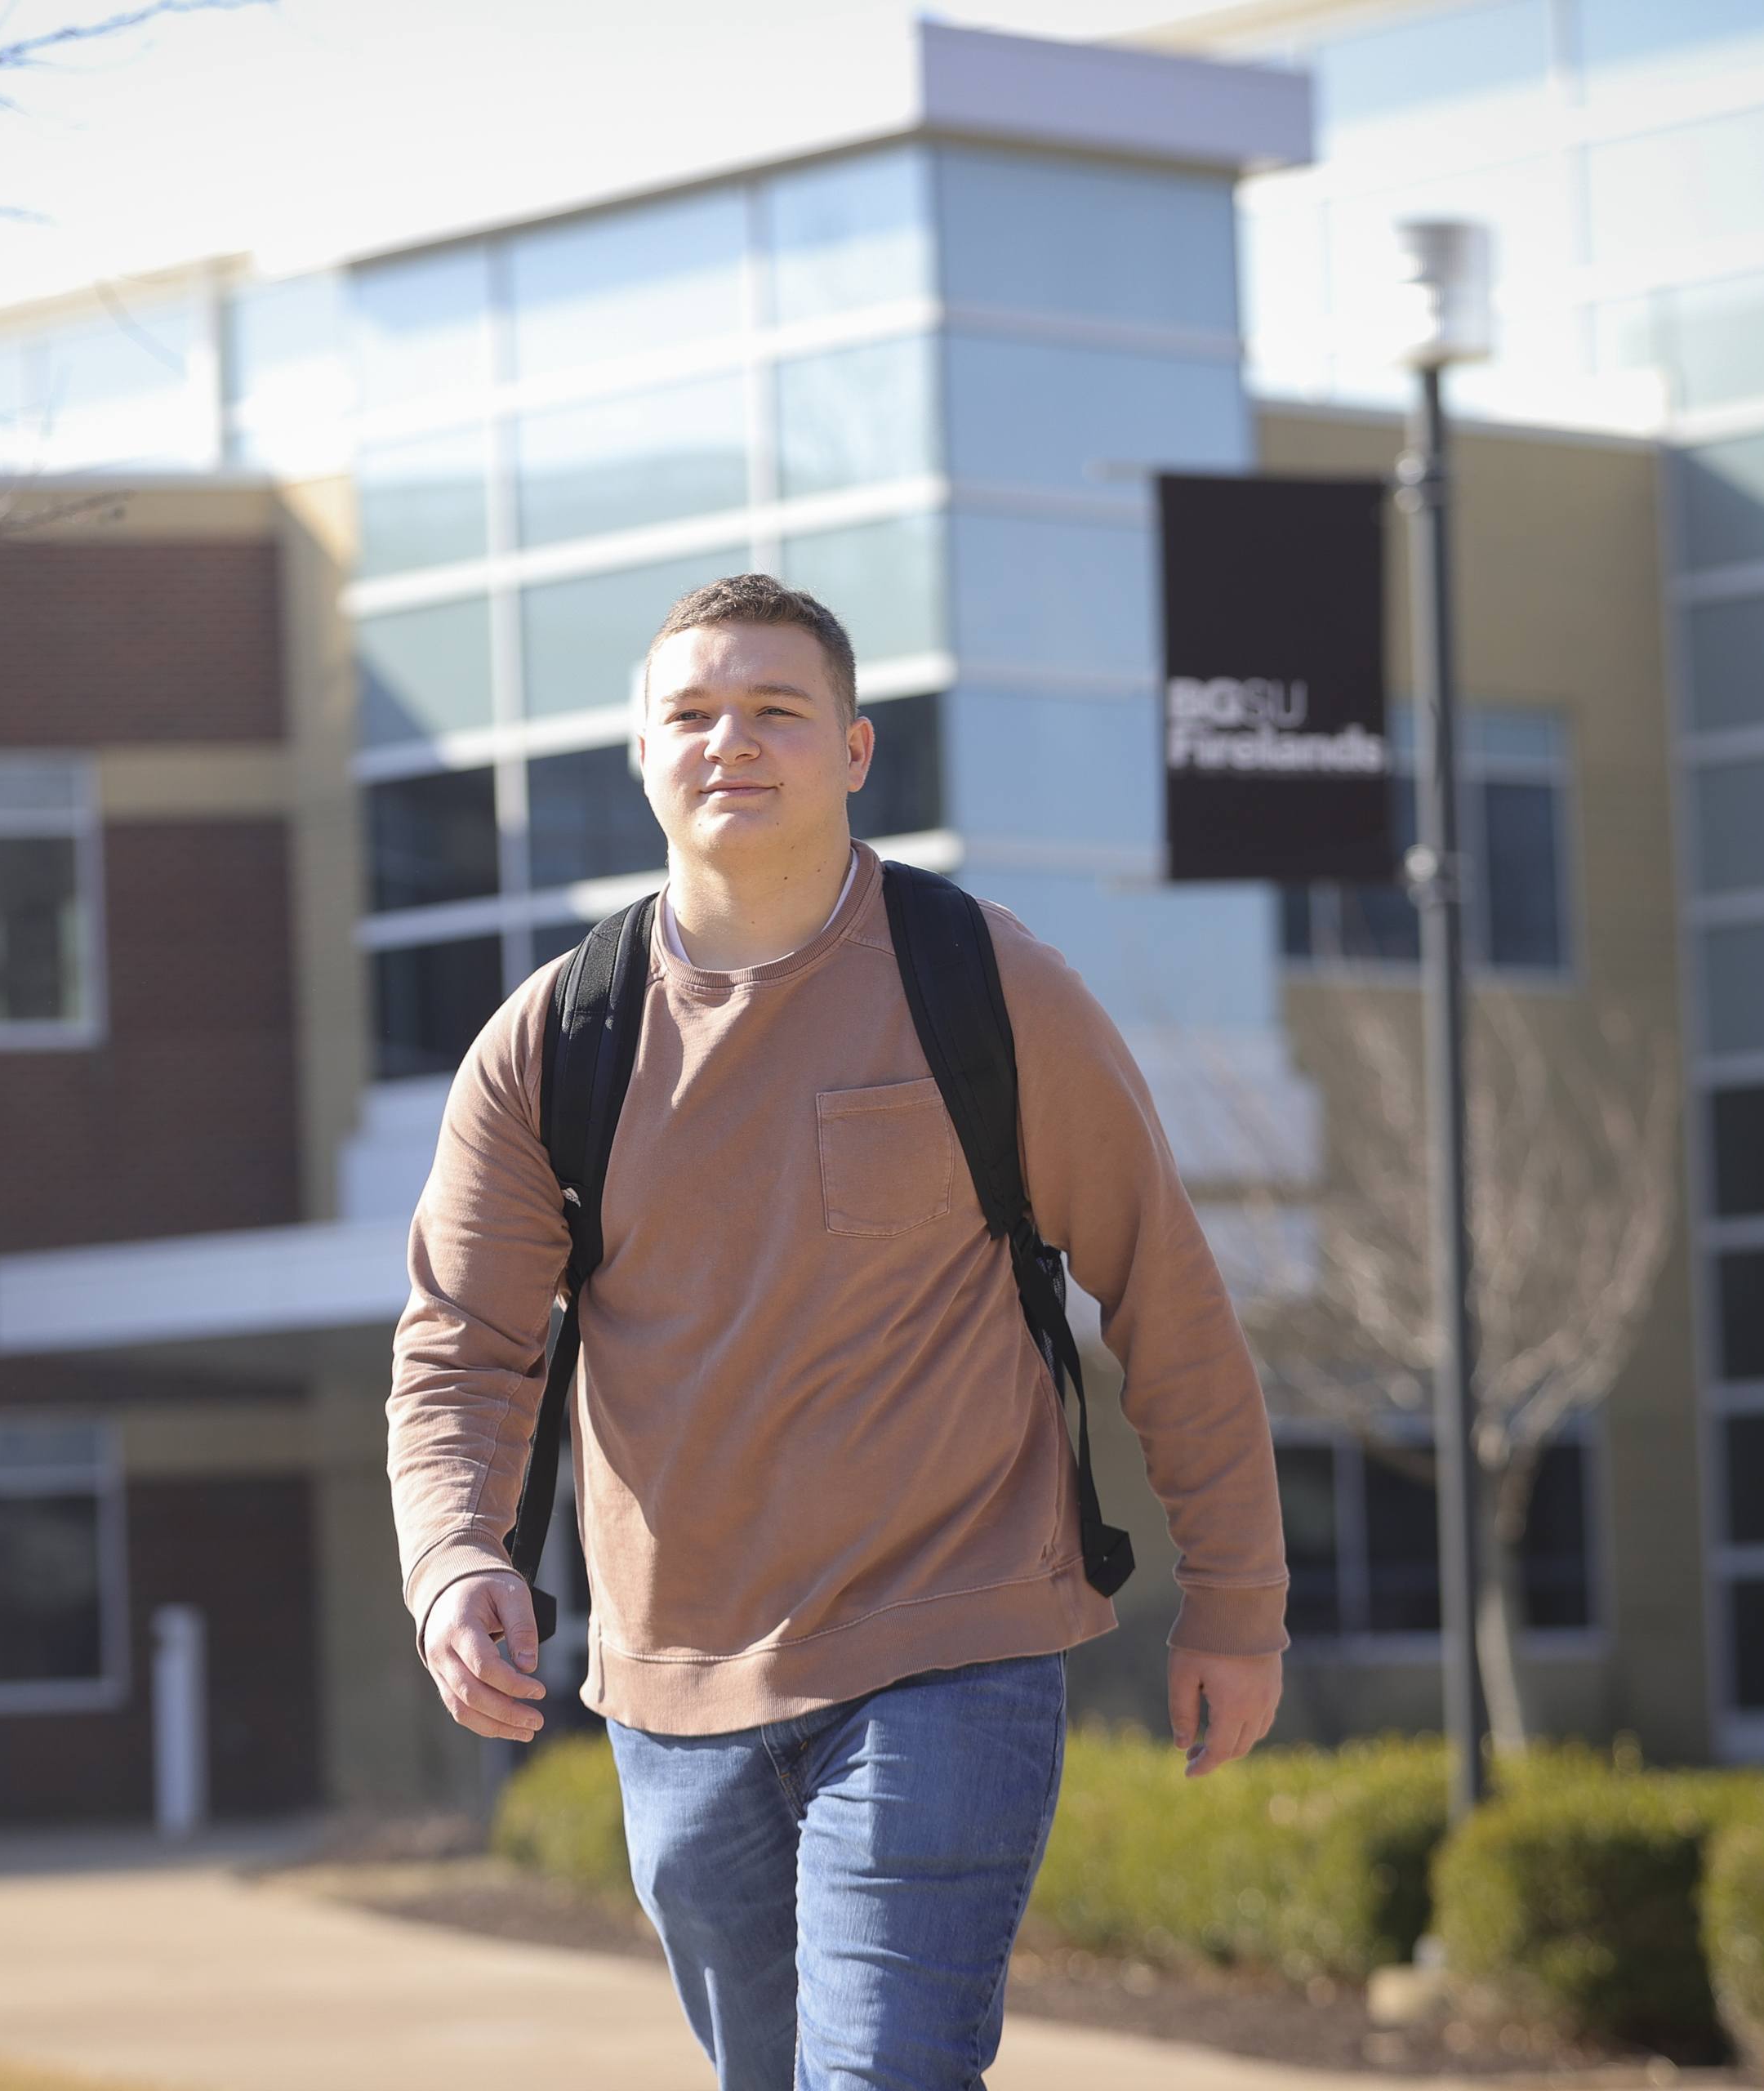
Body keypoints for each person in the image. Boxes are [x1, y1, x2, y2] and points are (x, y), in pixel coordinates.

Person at [388, 573, 1288, 2089]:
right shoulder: (559, 1039)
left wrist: (1237, 1600)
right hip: (672, 1685)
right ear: (641, 754)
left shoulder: (985, 988)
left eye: (776, 711)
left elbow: (1166, 1297)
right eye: (691, 713)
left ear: (856, 752)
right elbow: (463, 1341)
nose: (730, 742)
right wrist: (455, 1557)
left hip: (952, 1641)